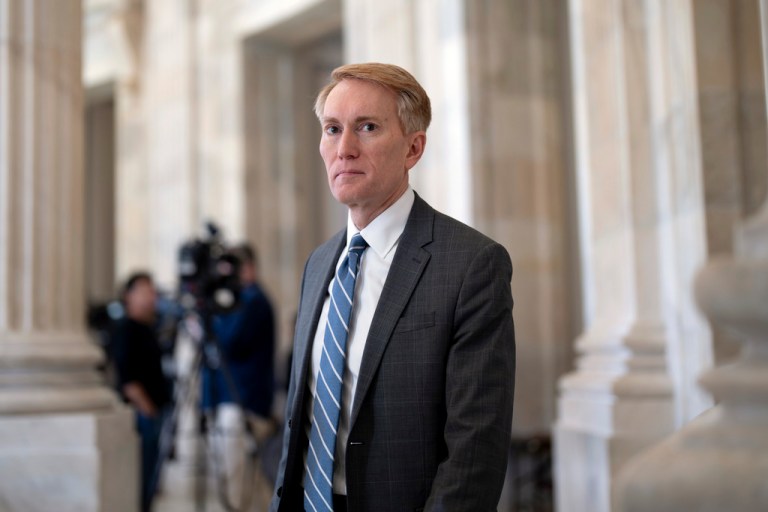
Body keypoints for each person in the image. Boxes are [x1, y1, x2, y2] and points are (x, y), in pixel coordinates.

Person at [270, 63, 515, 512]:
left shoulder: (471, 265)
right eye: (332, 129)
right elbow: (301, 423)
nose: (344, 149)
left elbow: (475, 447)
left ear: (413, 148)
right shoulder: (319, 263)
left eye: (367, 127)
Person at [201, 243, 276, 508]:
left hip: (242, 403)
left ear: (249, 269)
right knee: (250, 487)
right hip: (229, 400)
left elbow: (229, 343)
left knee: (235, 487)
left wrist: (210, 319)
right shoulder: (239, 301)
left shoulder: (253, 300)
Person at [112, 272, 171, 512]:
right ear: (129, 295)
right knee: (141, 480)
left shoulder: (149, 328)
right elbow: (128, 379)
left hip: (154, 413)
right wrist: (148, 411)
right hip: (143, 416)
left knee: (150, 480)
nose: (152, 297)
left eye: (153, 291)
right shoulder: (127, 329)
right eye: (145, 291)